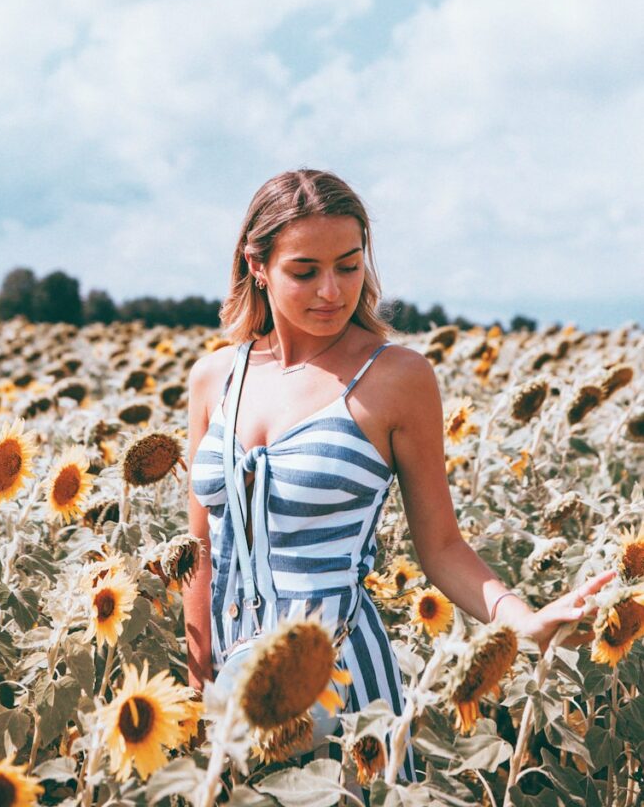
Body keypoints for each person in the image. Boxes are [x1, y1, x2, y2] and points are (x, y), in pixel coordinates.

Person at [182, 168, 615, 786]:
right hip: (232, 688)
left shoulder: (395, 377)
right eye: (305, 271)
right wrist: (199, 682)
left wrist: (522, 619)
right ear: (257, 264)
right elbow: (199, 552)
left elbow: (440, 546)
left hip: (344, 687)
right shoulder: (214, 377)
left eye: (349, 265)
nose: (332, 290)